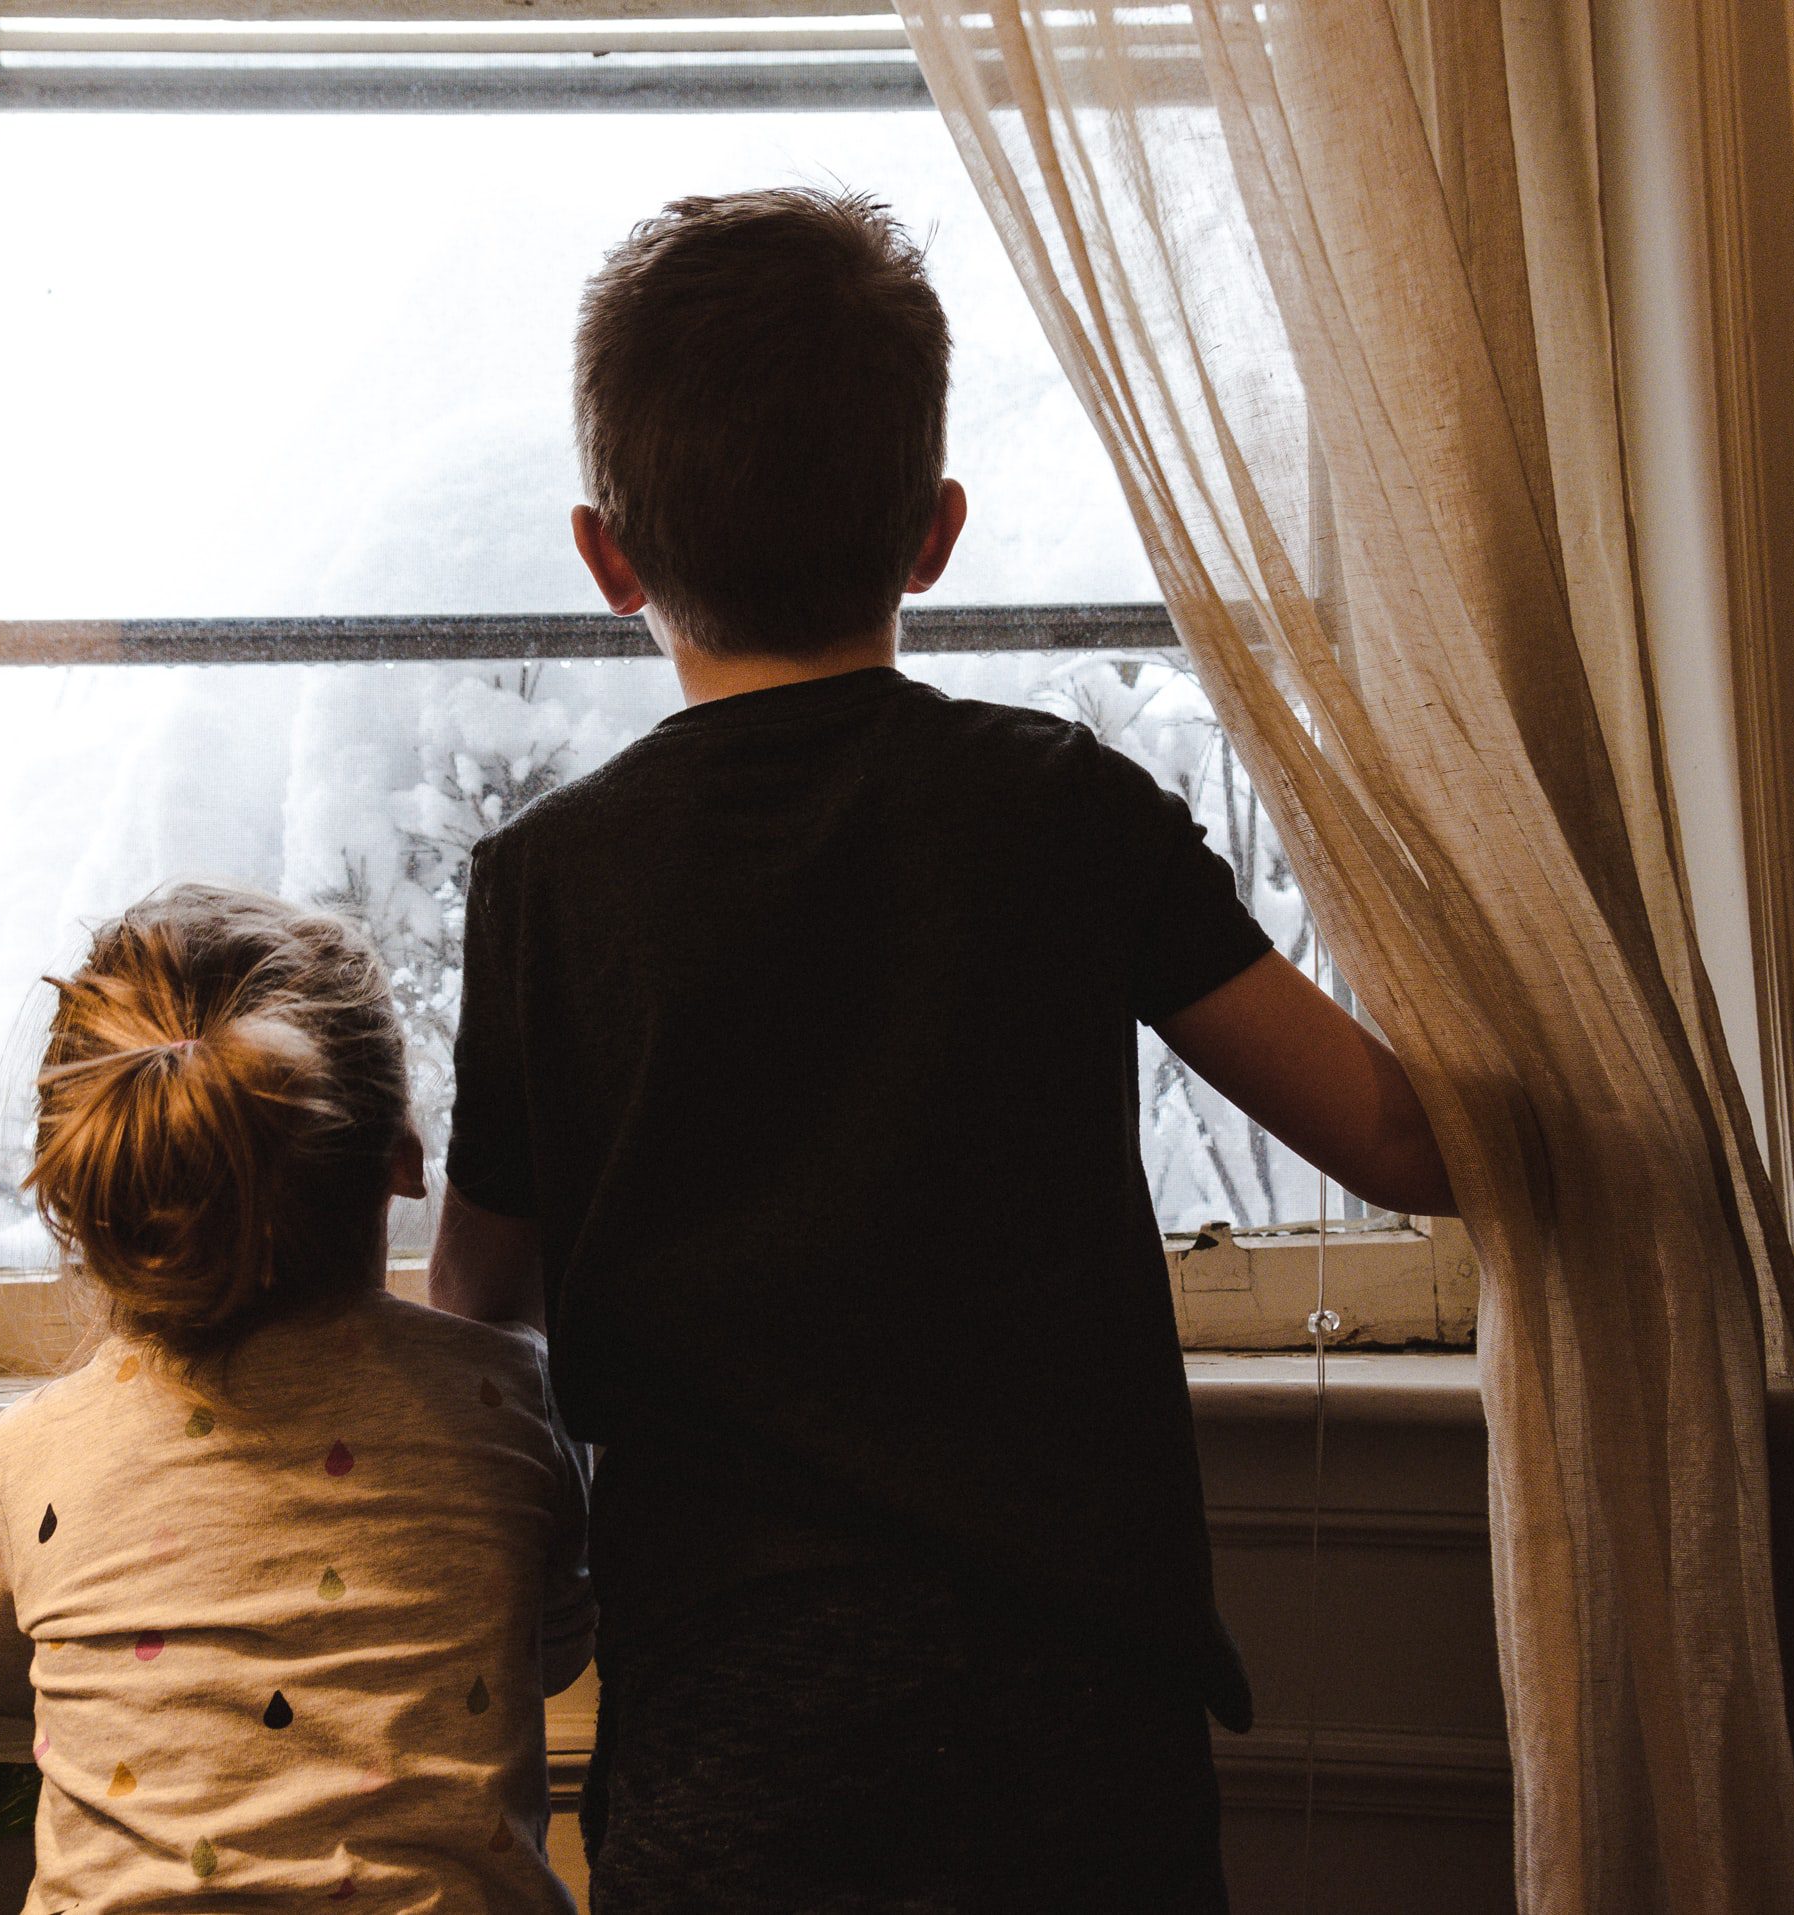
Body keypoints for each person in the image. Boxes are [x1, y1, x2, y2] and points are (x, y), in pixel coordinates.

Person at [429, 188, 1455, 1914]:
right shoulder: (1060, 803)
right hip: (1071, 1713)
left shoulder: (547, 884)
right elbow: (1403, 1144)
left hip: (727, 1728)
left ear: (609, 557)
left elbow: (480, 1305)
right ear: (936, 530)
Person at [0, 884, 593, 1913]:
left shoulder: (33, 1453)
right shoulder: (508, 1404)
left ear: (86, 1204)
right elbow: (558, 1649)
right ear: (404, 1160)